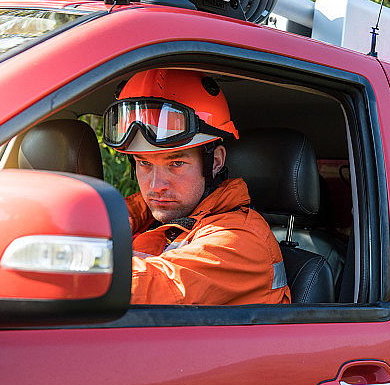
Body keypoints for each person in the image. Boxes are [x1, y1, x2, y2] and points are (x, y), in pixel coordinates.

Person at [103, 68, 291, 305]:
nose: (155, 185)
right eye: (144, 163)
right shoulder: (160, 218)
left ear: (215, 162)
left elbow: (152, 285)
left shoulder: (242, 240)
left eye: (176, 163)